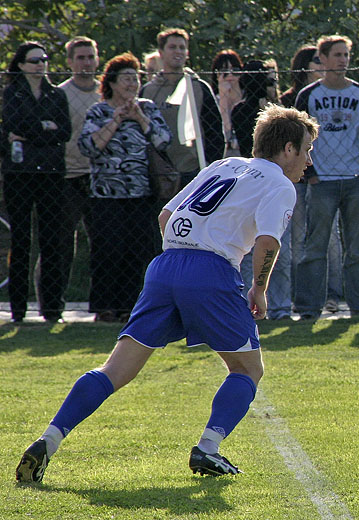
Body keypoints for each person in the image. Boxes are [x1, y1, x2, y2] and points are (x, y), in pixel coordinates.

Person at [16, 104, 319, 483]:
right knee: (248, 368)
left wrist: (183, 264)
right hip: (211, 271)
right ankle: (208, 449)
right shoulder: (279, 183)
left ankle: (49, 438)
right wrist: (259, 288)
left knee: (115, 369)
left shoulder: (221, 166)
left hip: (165, 265)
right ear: (288, 149)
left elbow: (166, 216)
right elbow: (267, 241)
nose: (308, 159)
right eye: (306, 149)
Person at [78, 53, 172, 322]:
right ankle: (105, 307)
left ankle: (131, 306)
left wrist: (140, 118)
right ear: (112, 82)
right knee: (108, 250)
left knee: (137, 250)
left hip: (142, 194)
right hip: (106, 195)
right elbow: (89, 147)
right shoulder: (99, 111)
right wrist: (116, 120)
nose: (133, 83)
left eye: (136, 78)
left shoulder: (148, 108)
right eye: (127, 78)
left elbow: (163, 141)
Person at [294, 35, 359, 320]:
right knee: (315, 246)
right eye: (338, 55)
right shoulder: (308, 95)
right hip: (322, 184)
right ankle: (308, 308)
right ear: (323, 58)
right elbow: (300, 137)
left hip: (354, 180)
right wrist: (311, 174)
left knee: (356, 247)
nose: (343, 60)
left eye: (346, 55)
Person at [1, 41, 71, 323]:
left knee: (51, 240)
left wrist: (33, 131)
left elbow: (64, 130)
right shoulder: (12, 93)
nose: (40, 65)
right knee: (21, 242)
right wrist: (44, 127)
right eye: (34, 61)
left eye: (43, 60)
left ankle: (52, 308)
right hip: (19, 175)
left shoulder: (57, 95)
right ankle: (18, 309)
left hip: (51, 175)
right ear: (20, 65)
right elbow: (15, 124)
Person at [280, 45, 345, 315]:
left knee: (330, 237)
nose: (320, 67)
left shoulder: (335, 95)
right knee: (297, 238)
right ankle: (301, 295)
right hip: (297, 180)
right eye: (316, 62)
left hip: (325, 179)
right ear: (304, 68)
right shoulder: (291, 100)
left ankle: (333, 295)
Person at [40, 36, 101, 315]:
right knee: (62, 244)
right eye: (80, 57)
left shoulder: (106, 93)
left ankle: (104, 307)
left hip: (100, 178)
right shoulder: (59, 94)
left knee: (102, 243)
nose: (86, 62)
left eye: (90, 56)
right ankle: (52, 307)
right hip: (66, 177)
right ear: (69, 62)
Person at [231, 59, 293, 320]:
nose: (274, 85)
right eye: (269, 80)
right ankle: (247, 302)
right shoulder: (242, 111)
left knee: (280, 248)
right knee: (249, 250)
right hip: (253, 186)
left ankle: (280, 306)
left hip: (275, 184)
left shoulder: (283, 112)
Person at [140, 28, 224, 187]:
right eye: (172, 47)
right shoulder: (147, 91)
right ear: (161, 53)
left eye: (182, 47)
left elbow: (215, 133)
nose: (178, 51)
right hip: (158, 174)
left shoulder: (199, 88)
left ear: (187, 53)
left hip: (194, 172)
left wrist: (210, 168)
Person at [210, 49, 244, 157]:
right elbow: (226, 134)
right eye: (224, 71)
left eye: (235, 70)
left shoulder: (248, 98)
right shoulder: (212, 100)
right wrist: (223, 96)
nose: (230, 74)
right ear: (217, 74)